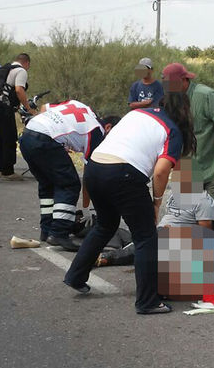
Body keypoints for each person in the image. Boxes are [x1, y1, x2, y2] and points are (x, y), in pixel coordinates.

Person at [64, 92, 196, 314]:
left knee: (105, 225)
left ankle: (75, 275)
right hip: (123, 173)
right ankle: (148, 301)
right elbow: (161, 172)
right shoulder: (172, 129)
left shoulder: (137, 113)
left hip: (96, 167)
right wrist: (156, 203)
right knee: (146, 237)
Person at [19, 98, 118, 251]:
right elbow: (90, 174)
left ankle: (46, 229)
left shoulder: (81, 106)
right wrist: (89, 207)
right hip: (45, 139)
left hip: (28, 134)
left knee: (48, 184)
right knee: (70, 184)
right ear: (108, 127)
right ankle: (59, 232)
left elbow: (45, 107)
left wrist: (57, 134)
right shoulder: (97, 132)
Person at [161, 63, 214, 239]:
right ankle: (193, 243)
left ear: (184, 80)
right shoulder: (171, 100)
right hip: (191, 163)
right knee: (186, 206)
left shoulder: (205, 95)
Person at [0, 53, 33, 180]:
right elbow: (19, 90)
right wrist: (28, 108)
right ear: (27, 63)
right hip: (3, 107)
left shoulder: (4, 69)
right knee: (9, 138)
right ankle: (8, 171)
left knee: (1, 138)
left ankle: (2, 169)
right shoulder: (21, 71)